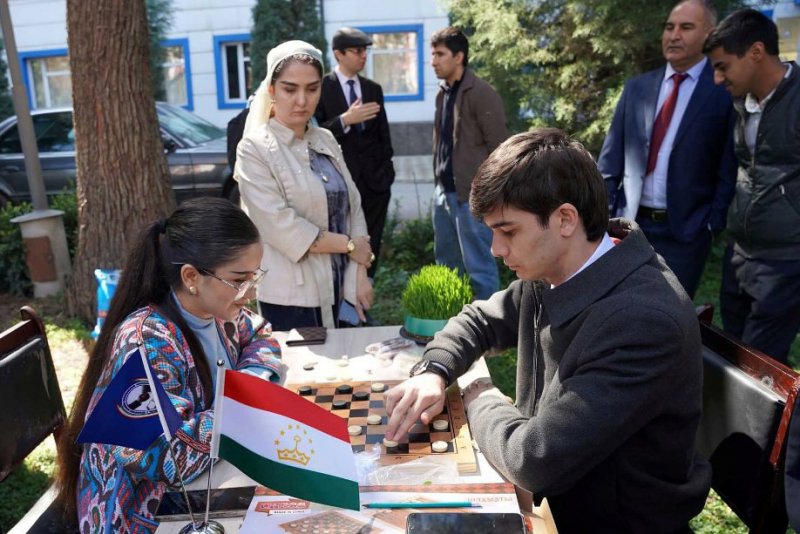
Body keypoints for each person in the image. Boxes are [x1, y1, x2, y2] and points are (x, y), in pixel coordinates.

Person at [385, 129, 711, 533]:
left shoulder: (640, 321)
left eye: (508, 231)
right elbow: (481, 319)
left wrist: (477, 393)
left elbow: (533, 460)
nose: (496, 249)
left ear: (565, 219)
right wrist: (434, 371)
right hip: (553, 503)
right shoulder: (562, 267)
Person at [54, 197, 284, 533]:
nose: (249, 293)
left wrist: (251, 379)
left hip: (201, 493)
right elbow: (173, 459)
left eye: (255, 277)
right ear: (191, 276)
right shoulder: (146, 342)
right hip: (142, 517)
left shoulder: (219, 313)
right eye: (239, 280)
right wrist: (245, 400)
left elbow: (261, 333)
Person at [597, 0, 737, 299]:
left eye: (686, 27)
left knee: (668, 313)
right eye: (669, 27)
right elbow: (610, 160)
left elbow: (728, 166)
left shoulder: (722, 91)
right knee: (618, 306)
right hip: (629, 226)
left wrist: (711, 224)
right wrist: (604, 213)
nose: (674, 35)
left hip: (686, 234)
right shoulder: (637, 88)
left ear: (710, 34)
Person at [235, 40, 374, 330]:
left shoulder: (325, 139)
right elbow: (281, 226)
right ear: (271, 90)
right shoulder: (254, 149)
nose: (302, 100)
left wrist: (359, 270)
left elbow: (354, 205)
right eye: (290, 89)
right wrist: (349, 246)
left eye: (312, 89)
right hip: (292, 298)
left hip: (343, 287)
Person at [703, 9, 800, 364]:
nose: (717, 79)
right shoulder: (740, 103)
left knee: (760, 366)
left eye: (723, 66)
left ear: (756, 52)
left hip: (785, 263)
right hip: (740, 254)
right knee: (733, 355)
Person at [430, 27, 507, 300]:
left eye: (440, 54)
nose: (433, 61)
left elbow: (500, 149)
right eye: (433, 54)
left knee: (480, 270)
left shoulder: (481, 93)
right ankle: (455, 322)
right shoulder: (442, 93)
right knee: (447, 268)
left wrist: (488, 193)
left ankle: (489, 326)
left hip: (471, 197)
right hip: (443, 194)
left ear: (459, 56)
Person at [314, 27, 395, 279]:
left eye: (365, 51)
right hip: (337, 181)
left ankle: (366, 284)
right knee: (343, 240)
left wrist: (386, 174)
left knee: (372, 239)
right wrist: (345, 120)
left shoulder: (373, 89)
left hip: (375, 183)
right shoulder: (321, 87)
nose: (363, 56)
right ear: (339, 54)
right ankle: (344, 289)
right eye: (357, 51)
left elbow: (384, 136)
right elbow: (313, 133)